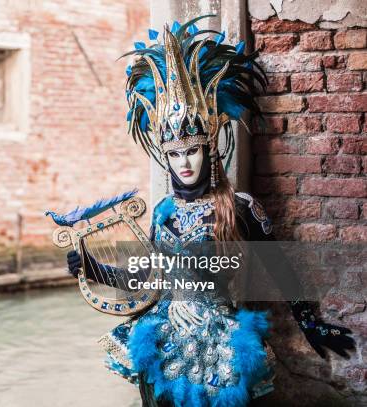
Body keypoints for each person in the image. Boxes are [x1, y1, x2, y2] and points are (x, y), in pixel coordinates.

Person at [64, 18, 354, 407]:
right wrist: (90, 267)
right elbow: (147, 281)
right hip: (165, 336)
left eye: (192, 150)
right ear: (165, 158)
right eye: (174, 154)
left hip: (219, 337)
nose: (184, 162)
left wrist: (313, 326)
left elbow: (283, 271)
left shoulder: (240, 207)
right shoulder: (163, 211)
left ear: (209, 150)